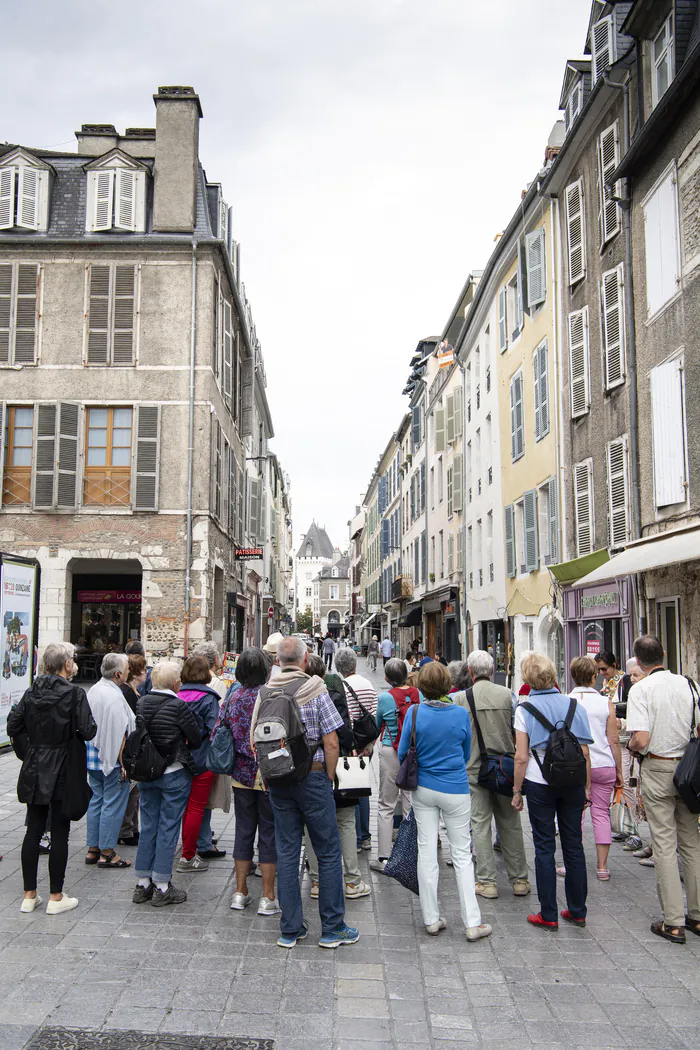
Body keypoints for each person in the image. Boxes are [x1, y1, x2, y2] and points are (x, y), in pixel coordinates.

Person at [252, 636, 359, 949]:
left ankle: (290, 929)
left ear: (278, 661)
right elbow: (332, 741)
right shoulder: (316, 688)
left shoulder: (265, 692)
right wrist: (327, 775)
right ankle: (333, 928)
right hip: (313, 779)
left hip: (279, 782)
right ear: (304, 659)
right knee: (326, 852)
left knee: (286, 851)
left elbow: (253, 741)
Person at [398, 661, 491, 941]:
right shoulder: (461, 714)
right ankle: (472, 922)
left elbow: (404, 751)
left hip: (424, 787)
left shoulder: (414, 713)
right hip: (455, 788)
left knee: (426, 850)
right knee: (462, 854)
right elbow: (465, 752)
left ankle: (431, 917)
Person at [9, 642, 97, 915]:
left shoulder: (30, 692)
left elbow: (13, 726)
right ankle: (55, 896)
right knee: (60, 832)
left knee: (33, 830)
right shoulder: (74, 695)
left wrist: (31, 749)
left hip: (35, 768)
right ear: (65, 664)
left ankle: (29, 894)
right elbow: (89, 730)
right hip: (62, 768)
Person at [627, 635, 700, 944]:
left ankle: (673, 921)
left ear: (638, 661)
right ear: (664, 655)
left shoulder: (640, 689)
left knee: (664, 844)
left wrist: (630, 746)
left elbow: (641, 740)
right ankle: (697, 914)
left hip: (658, 766)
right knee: (692, 841)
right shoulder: (689, 684)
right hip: (689, 769)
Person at [512, 653, 593, 930]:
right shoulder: (573, 706)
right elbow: (584, 751)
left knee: (544, 846)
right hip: (572, 783)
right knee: (574, 845)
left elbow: (521, 757)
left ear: (527, 678)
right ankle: (578, 909)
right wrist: (587, 787)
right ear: (554, 676)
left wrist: (516, 790)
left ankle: (548, 913)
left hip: (539, 783)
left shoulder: (524, 710)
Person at [454, 650, 530, 899]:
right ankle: (519, 879)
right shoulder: (508, 695)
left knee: (480, 825)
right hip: (506, 769)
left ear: (471, 672)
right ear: (491, 670)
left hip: (475, 770)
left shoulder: (461, 699)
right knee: (510, 824)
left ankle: (487, 881)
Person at [215, 648, 280, 915]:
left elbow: (221, 729)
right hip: (267, 774)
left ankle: (240, 892)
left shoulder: (233, 696)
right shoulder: (271, 697)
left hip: (240, 773)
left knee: (243, 830)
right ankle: (267, 896)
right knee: (268, 832)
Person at [132, 661, 202, 907]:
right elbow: (194, 737)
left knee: (148, 825)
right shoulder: (179, 706)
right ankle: (162, 884)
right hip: (172, 771)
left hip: (147, 772)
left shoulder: (141, 702)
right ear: (176, 683)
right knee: (168, 826)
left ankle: (143, 882)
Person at [305, 653, 370, 899]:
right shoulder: (333, 694)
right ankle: (352, 881)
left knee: (311, 825)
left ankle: (317, 882)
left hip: (309, 770)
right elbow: (341, 735)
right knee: (345, 822)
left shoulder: (297, 695)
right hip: (336, 768)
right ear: (322, 674)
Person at [568, 656, 623, 881]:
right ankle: (602, 866)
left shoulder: (567, 701)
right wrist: (619, 769)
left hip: (577, 766)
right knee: (601, 813)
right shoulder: (604, 702)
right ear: (593, 677)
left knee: (575, 815)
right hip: (604, 763)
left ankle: (574, 863)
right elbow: (614, 739)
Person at [85, 654, 135, 869]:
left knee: (97, 800)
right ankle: (107, 851)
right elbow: (119, 733)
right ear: (117, 674)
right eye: (125, 669)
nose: (128, 672)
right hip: (111, 758)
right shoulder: (114, 696)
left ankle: (93, 848)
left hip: (93, 755)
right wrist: (123, 763)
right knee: (112, 805)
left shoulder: (95, 689)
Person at [371, 658, 420, 873]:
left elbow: (377, 724)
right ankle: (412, 853)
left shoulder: (385, 698)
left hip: (391, 749)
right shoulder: (418, 694)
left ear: (386, 678)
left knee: (386, 803)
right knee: (411, 800)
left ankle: (384, 856)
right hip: (412, 751)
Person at [176, 656, 222, 874]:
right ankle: (188, 854)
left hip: (176, 760)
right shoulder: (209, 698)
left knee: (179, 806)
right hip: (202, 759)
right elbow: (214, 730)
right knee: (196, 807)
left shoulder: (176, 695)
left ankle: (182, 848)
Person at [334, 648, 379, 852]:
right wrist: (370, 746)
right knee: (362, 790)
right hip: (365, 745)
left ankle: (353, 838)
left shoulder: (341, 686)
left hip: (349, 745)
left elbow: (343, 718)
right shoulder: (368, 685)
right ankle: (365, 837)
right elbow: (374, 717)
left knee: (347, 789)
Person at [118, 654, 148, 847]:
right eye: (144, 670)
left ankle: (132, 828)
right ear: (136, 673)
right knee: (131, 791)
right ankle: (126, 830)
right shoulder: (127, 693)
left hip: (135, 747)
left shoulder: (135, 691)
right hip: (130, 748)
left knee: (135, 791)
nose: (147, 673)